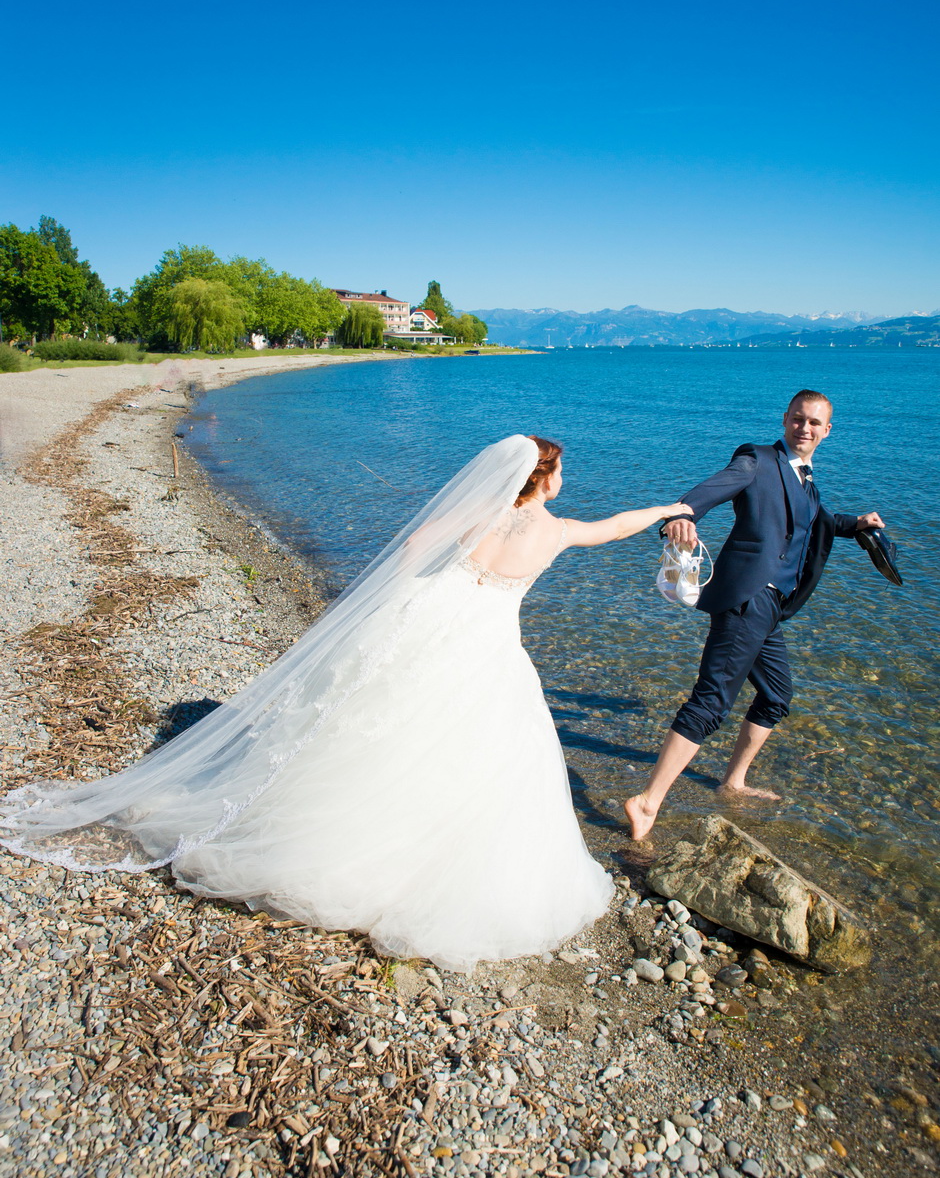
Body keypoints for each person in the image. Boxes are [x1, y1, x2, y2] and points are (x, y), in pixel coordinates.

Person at [2, 434, 690, 972]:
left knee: (375, 728)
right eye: (560, 471)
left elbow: (416, 546)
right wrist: (667, 510)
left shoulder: (475, 514)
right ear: (545, 481)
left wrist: (406, 605)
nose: (564, 481)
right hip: (486, 641)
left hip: (431, 618)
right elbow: (616, 527)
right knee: (475, 749)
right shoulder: (558, 529)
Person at [624, 390, 884, 841]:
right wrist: (680, 518)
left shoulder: (806, 481)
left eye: (814, 423)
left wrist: (855, 524)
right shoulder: (756, 459)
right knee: (711, 701)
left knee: (777, 696)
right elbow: (706, 493)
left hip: (770, 606)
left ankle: (733, 781)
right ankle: (647, 802)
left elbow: (815, 519)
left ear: (827, 431)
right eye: (798, 419)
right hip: (746, 598)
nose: (805, 428)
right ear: (785, 420)